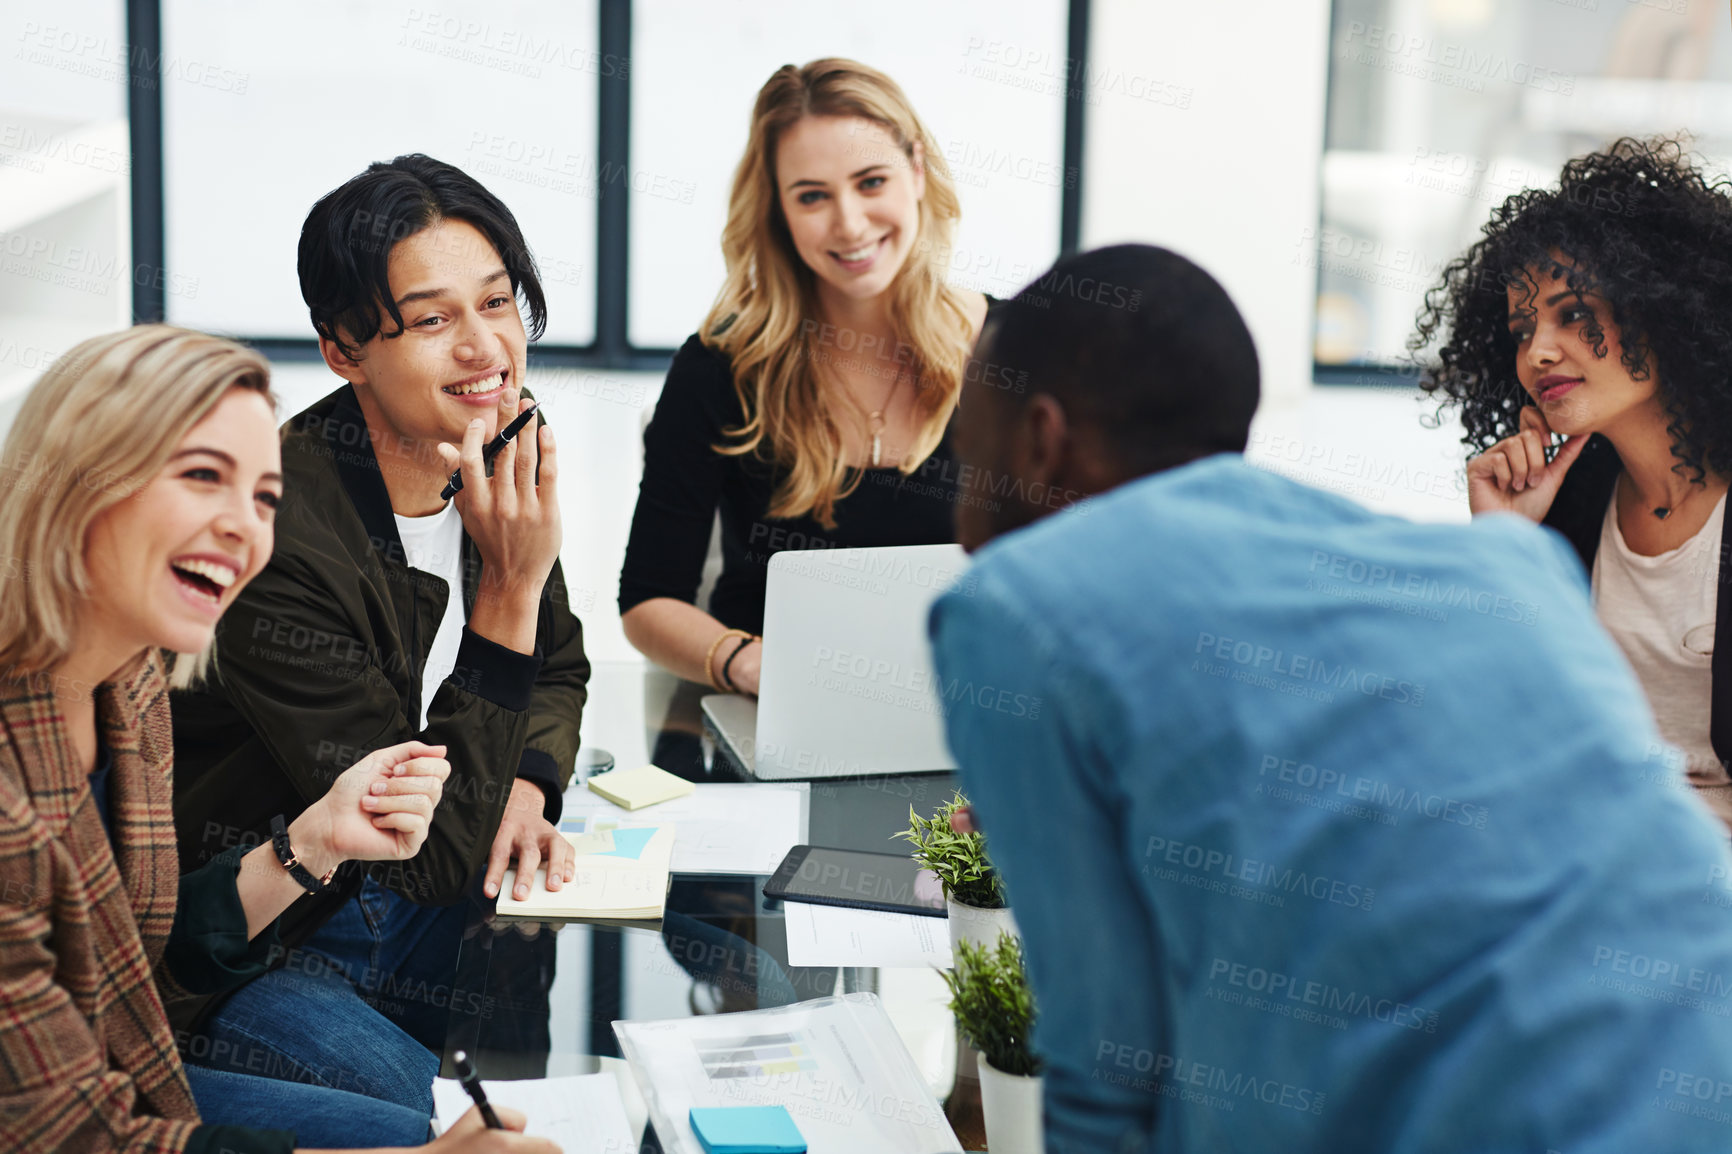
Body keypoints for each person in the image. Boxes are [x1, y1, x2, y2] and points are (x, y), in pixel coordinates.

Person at [929, 244, 1732, 1152]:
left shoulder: (1012, 609)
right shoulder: (1505, 565)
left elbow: (1108, 1068)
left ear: (1038, 438)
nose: (961, 517)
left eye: (965, 453)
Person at [0, 325, 552, 1151]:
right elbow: (65, 1136)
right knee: (410, 1128)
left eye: (264, 496)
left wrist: (315, 838)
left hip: (127, 1061)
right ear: (74, 484)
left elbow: (140, 968)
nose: (244, 528)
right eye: (200, 477)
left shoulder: (133, 683)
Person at [169, 155, 589, 1092]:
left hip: (443, 872)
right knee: (430, 1116)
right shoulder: (274, 539)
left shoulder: (497, 435)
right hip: (288, 927)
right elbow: (422, 852)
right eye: (434, 320)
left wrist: (528, 782)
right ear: (343, 349)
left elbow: (557, 666)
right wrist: (508, 595)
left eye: (498, 301)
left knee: (561, 1075)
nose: (486, 351)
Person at [618, 57, 994, 700]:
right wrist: (744, 662)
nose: (849, 223)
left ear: (918, 171)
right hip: (768, 716)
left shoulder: (1016, 358)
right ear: (778, 211)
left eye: (871, 181)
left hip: (972, 717)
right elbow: (648, 601)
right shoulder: (718, 368)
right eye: (813, 195)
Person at [1416, 137, 1732, 828]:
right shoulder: (1567, 503)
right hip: (1588, 861)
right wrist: (1506, 547)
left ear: (1667, 310)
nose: (1539, 352)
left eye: (1575, 313)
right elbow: (1488, 727)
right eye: (1522, 329)